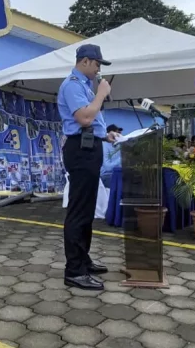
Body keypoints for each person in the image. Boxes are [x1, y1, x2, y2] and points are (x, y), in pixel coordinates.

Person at [57, 44, 118, 291]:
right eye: (97, 64)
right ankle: (74, 271)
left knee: (88, 210)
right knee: (79, 211)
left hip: (90, 147)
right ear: (84, 61)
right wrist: (101, 94)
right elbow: (83, 118)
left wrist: (106, 135)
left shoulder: (84, 86)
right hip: (80, 152)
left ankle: (83, 259)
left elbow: (91, 124)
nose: (99, 69)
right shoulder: (72, 84)